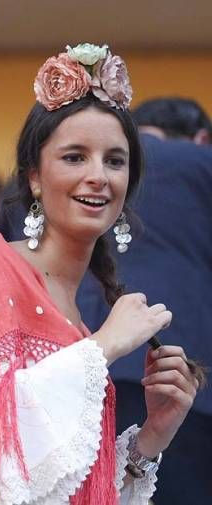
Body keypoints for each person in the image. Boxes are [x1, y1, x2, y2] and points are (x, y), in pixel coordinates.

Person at [0, 44, 199, 504]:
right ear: (34, 176)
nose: (98, 176)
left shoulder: (80, 320)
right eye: (74, 157)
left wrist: (152, 436)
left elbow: (65, 484)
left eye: (114, 160)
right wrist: (104, 348)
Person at [77, 97, 212, 504]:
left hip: (87, 351)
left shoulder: (88, 162)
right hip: (185, 366)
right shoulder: (203, 163)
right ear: (201, 137)